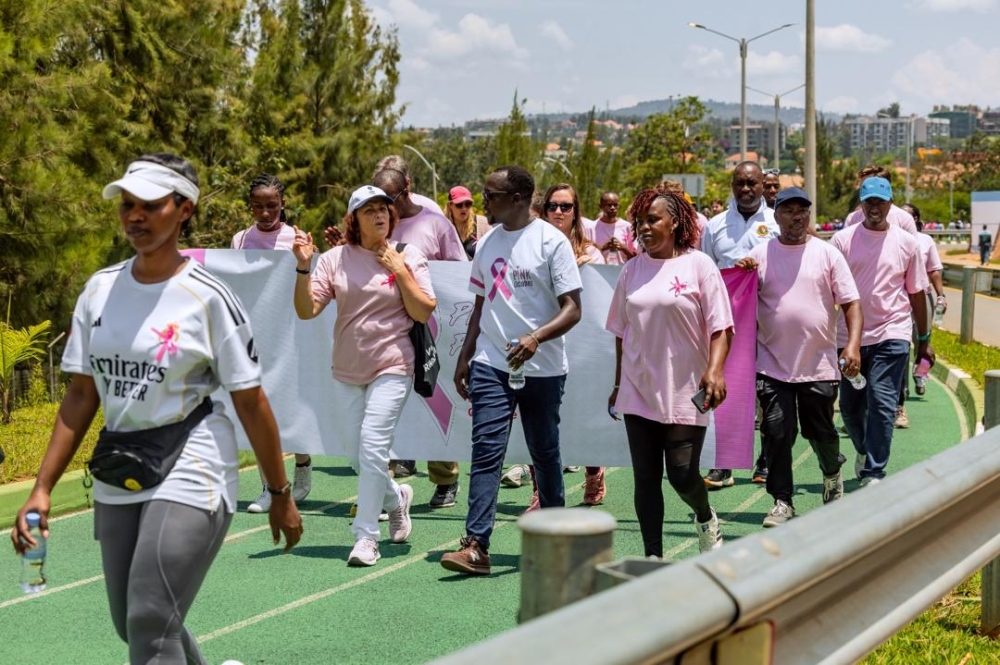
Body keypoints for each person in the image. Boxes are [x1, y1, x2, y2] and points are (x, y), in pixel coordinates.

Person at [11, 155, 303, 664]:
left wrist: (280, 492)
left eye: (150, 205)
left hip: (194, 461)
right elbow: (82, 394)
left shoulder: (209, 298)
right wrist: (41, 488)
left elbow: (250, 401)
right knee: (137, 624)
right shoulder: (99, 290)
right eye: (127, 206)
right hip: (122, 463)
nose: (135, 217)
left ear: (183, 209)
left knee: (149, 618)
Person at [441, 166, 582, 576]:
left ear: (519, 199)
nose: (485, 203)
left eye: (492, 196)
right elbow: (481, 305)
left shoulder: (551, 242)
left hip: (542, 368)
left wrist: (536, 338)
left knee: (544, 453)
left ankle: (556, 540)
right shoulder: (487, 244)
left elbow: (573, 309)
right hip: (491, 364)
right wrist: (466, 356)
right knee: (486, 451)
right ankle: (476, 545)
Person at [292, 185, 436, 566]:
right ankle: (396, 497)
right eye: (369, 210)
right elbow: (307, 311)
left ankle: (366, 536)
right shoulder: (335, 258)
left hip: (394, 364)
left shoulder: (408, 254)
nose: (379, 215)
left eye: (384, 209)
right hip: (347, 370)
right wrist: (303, 265)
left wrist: (399, 271)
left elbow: (423, 312)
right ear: (353, 219)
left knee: (373, 446)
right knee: (359, 458)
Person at [606, 185, 732, 557]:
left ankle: (705, 515)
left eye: (652, 220)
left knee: (680, 474)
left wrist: (715, 371)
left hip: (685, 387)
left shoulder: (699, 265)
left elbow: (721, 327)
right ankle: (652, 557)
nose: (643, 228)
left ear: (675, 223)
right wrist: (617, 383)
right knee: (645, 478)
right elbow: (620, 332)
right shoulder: (631, 270)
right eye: (639, 222)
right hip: (637, 387)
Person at [735, 188, 863, 526]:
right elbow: (738, 300)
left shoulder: (827, 254)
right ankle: (782, 501)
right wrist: (743, 272)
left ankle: (831, 470)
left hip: (818, 365)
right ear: (775, 217)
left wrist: (851, 345)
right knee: (776, 433)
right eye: (788, 210)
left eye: (802, 211)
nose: (796, 217)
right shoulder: (760, 254)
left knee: (819, 431)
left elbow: (851, 303)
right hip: (772, 364)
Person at [371, 166, 465, 509]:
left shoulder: (435, 223)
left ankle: (445, 477)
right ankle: (386, 486)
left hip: (429, 327)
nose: (384, 209)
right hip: (386, 330)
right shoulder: (377, 223)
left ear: (407, 190)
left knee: (433, 398)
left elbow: (459, 273)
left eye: (389, 201)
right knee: (388, 404)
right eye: (379, 203)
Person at [831, 177, 934, 486]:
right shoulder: (842, 241)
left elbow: (916, 293)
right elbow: (828, 291)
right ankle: (863, 450)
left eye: (880, 202)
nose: (874, 207)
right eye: (869, 202)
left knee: (882, 400)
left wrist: (924, 340)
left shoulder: (907, 243)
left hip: (893, 331)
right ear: (861, 205)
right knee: (850, 407)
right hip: (849, 337)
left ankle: (875, 471)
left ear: (891, 205)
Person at [231, 173, 314, 513]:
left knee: (291, 407)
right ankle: (270, 487)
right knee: (263, 411)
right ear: (249, 206)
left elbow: (311, 276)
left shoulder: (296, 238)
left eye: (272, 206)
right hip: (256, 335)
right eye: (258, 207)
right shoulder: (239, 240)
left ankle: (304, 462)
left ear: (282, 204)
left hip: (291, 333)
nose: (265, 213)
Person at [700, 161, 779, 490]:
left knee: (768, 394)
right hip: (727, 323)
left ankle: (766, 459)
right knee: (725, 389)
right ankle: (724, 464)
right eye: (740, 183)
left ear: (763, 185)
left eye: (752, 183)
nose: (746, 189)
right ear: (732, 185)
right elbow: (705, 270)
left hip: (768, 320)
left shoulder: (776, 223)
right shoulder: (715, 226)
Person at [540, 183, 606, 505]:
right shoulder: (533, 245)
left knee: (584, 410)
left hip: (584, 344)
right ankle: (541, 491)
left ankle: (594, 471)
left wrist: (582, 268)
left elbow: (603, 292)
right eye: (552, 205)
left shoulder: (591, 252)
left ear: (576, 212)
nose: (558, 212)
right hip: (544, 344)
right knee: (544, 420)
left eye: (566, 206)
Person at [902, 204, 946, 403]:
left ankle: (920, 373)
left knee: (923, 342)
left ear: (916, 218)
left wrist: (941, 295)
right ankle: (900, 389)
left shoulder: (925, 240)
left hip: (923, 296)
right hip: (900, 298)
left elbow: (934, 270)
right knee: (900, 343)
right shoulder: (892, 238)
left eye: (907, 216)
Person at [844, 166, 918, 236]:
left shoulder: (904, 219)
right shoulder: (852, 218)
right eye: (862, 186)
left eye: (870, 184)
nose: (865, 189)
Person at [590, 191, 636, 265]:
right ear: (600, 206)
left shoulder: (627, 227)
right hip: (600, 272)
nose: (612, 208)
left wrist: (622, 247)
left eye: (615, 205)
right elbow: (589, 257)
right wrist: (604, 248)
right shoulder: (592, 227)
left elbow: (635, 258)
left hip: (621, 272)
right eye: (609, 205)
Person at [444, 185, 490, 258]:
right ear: (450, 205)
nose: (464, 208)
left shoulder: (482, 223)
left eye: (468, 204)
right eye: (459, 205)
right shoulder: (442, 227)